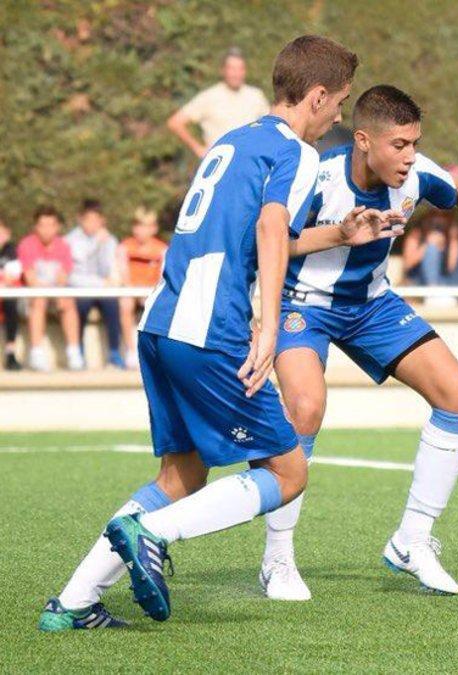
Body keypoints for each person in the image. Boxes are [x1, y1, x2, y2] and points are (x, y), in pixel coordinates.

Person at [38, 34, 360, 632]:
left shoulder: (234, 140)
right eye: (339, 101)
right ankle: (150, 533)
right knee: (288, 472)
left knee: (180, 476)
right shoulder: (300, 153)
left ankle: (73, 603)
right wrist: (266, 328)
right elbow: (269, 228)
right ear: (317, 96)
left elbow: (265, 232)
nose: (341, 114)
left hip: (162, 323)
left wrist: (340, 235)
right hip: (213, 329)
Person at [266, 85, 458, 600]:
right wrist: (335, 236)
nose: (410, 156)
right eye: (399, 144)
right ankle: (278, 558)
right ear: (362, 141)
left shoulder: (415, 176)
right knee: (306, 408)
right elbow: (273, 242)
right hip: (302, 306)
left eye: (415, 143)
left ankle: (411, 540)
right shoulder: (315, 176)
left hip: (373, 305)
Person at [167, 47, 271, 158]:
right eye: (232, 69)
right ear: (223, 70)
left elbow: (272, 125)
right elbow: (175, 122)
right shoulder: (209, 96)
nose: (236, 74)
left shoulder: (256, 95)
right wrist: (198, 148)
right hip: (220, 165)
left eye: (240, 69)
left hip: (251, 165)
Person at [18, 207, 82, 372]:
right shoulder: (27, 244)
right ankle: (36, 352)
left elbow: (63, 278)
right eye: (42, 225)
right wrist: (50, 288)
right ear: (36, 227)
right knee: (39, 300)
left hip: (55, 294)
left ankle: (73, 352)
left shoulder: (63, 246)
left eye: (50, 225)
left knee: (67, 301)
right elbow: (31, 280)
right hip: (31, 297)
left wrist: (54, 289)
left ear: (57, 227)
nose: (46, 230)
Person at [65, 199, 124, 368]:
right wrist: (96, 244)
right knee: (80, 307)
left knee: (112, 305)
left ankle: (114, 352)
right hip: (82, 289)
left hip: (104, 289)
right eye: (88, 220)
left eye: (96, 220)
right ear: (80, 219)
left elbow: (110, 268)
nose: (92, 224)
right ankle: (80, 351)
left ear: (102, 220)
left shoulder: (110, 239)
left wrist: (111, 281)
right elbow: (74, 274)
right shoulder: (70, 240)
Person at [117, 208, 169, 368]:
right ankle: (131, 351)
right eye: (139, 225)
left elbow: (163, 277)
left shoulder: (162, 249)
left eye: (146, 226)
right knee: (125, 303)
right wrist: (133, 289)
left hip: (151, 292)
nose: (141, 230)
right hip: (131, 291)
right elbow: (122, 273)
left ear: (154, 228)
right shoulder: (124, 247)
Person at [402, 210, 458, 288]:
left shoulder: (451, 236)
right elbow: (407, 265)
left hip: (448, 282)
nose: (439, 220)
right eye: (435, 215)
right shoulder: (416, 234)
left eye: (444, 216)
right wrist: (427, 244)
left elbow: (450, 268)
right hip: (421, 281)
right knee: (431, 249)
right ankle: (432, 292)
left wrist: (453, 240)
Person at [0, 218, 21, 370]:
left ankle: (10, 353)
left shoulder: (12, 251)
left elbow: (12, 276)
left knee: (11, 304)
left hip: (6, 296)